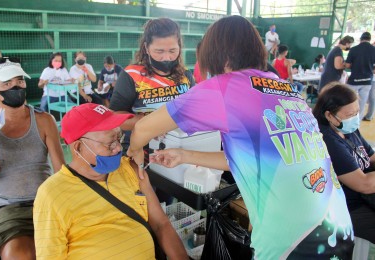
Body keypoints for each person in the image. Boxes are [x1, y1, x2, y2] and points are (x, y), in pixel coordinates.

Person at [128, 15, 354, 259]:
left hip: (292, 242)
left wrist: (134, 152)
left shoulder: (223, 88)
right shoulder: (284, 88)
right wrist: (185, 155)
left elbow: (142, 130)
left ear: (221, 59)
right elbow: (253, 157)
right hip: (338, 226)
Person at [33, 103, 188, 259]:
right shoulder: (52, 194)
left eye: (118, 138)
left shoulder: (131, 170)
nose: (118, 148)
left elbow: (161, 224)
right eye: (110, 143)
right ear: (79, 147)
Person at [0, 58, 65, 259]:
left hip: (45, 201)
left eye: (19, 81)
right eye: (7, 84)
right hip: (9, 209)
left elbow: (61, 171)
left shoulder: (44, 120)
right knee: (20, 254)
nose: (15, 87)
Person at [110, 17, 195, 203]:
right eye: (159, 51)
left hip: (175, 153)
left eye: (172, 50)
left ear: (180, 46)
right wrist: (152, 123)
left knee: (168, 203)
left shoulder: (186, 76)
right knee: (141, 204)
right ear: (147, 48)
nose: (166, 57)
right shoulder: (132, 75)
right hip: (139, 153)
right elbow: (116, 117)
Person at [312, 83, 375, 244]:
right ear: (329, 115)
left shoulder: (348, 130)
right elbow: (364, 185)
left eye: (357, 112)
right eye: (349, 115)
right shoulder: (327, 140)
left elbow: (370, 156)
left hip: (366, 198)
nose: (355, 118)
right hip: (349, 207)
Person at [345, 32, 375, 120]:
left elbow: (347, 65)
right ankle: (357, 123)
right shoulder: (374, 50)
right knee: (362, 103)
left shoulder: (354, 49)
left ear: (361, 39)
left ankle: (347, 119)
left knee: (348, 100)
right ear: (369, 40)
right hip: (367, 81)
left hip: (354, 80)